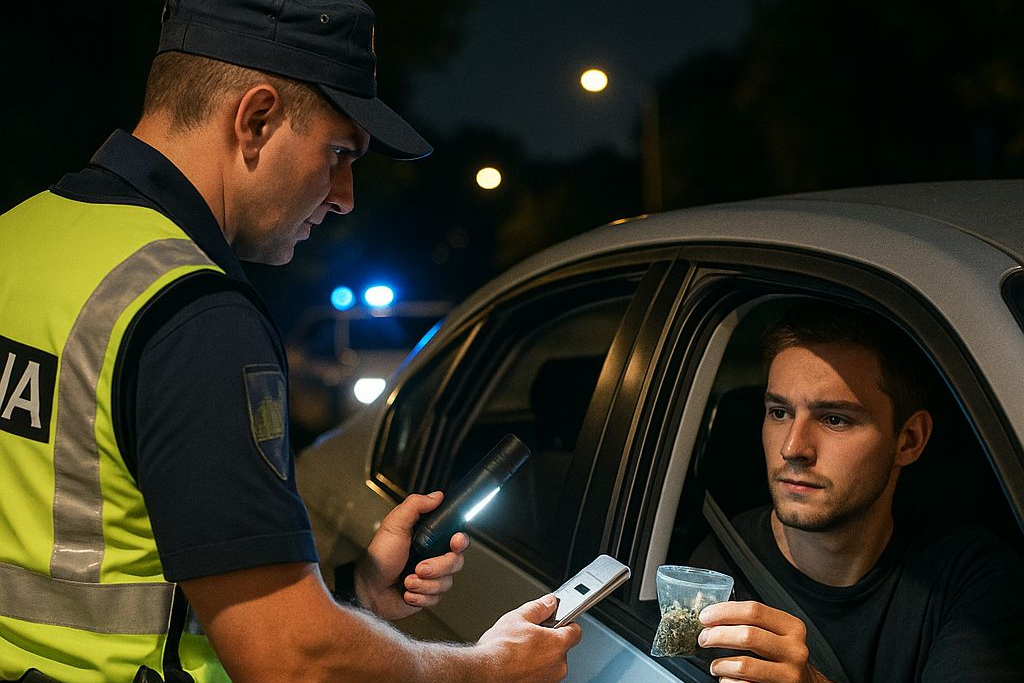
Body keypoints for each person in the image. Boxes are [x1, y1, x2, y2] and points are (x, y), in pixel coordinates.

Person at [0, 1, 580, 681]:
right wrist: (484, 668)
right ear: (257, 119)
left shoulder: (21, 236)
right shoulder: (194, 315)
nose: (344, 196)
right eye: (338, 154)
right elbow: (290, 660)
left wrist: (345, 593)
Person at [690, 300, 1024, 683]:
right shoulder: (718, 570)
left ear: (909, 440)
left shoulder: (971, 577)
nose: (792, 448)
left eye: (835, 419)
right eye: (779, 412)